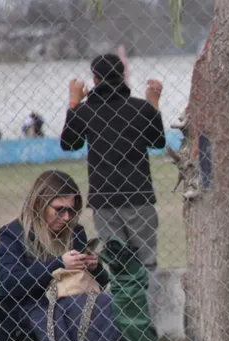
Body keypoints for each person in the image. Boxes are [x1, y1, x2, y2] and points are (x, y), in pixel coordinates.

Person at [0, 170, 119, 341]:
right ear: (38, 204)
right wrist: (57, 264)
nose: (66, 217)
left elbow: (96, 285)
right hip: (29, 307)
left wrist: (95, 268)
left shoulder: (75, 232)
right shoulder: (14, 233)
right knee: (54, 315)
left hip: (72, 302)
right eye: (59, 209)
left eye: (71, 210)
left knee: (104, 303)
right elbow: (9, 284)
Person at [60, 53, 166, 276]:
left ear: (95, 79)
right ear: (123, 76)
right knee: (147, 263)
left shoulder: (86, 111)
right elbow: (158, 141)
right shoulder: (140, 108)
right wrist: (153, 104)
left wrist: (74, 102)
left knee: (116, 266)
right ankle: (148, 300)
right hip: (138, 194)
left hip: (104, 197)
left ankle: (120, 300)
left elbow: (69, 144)